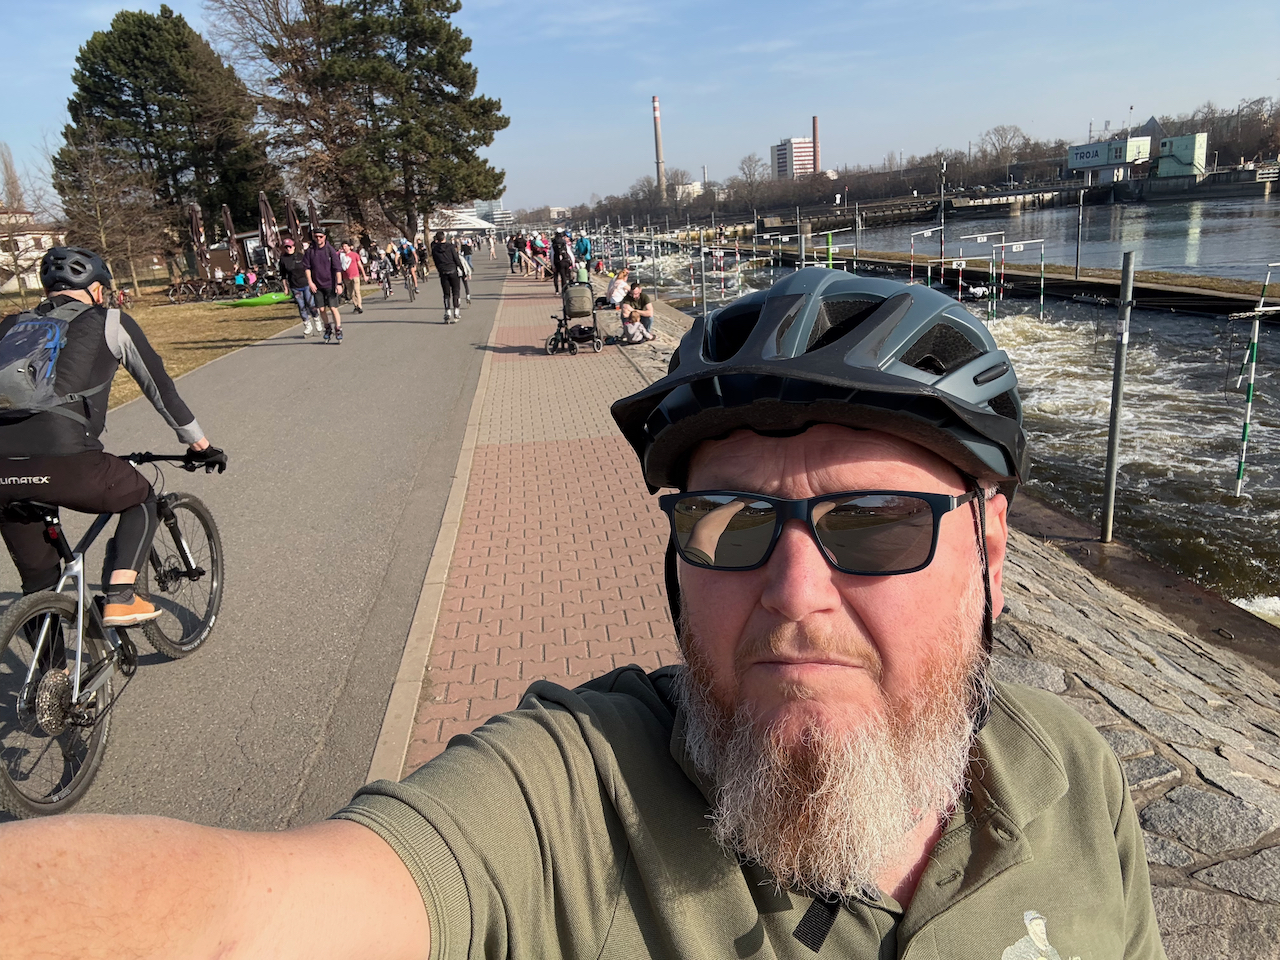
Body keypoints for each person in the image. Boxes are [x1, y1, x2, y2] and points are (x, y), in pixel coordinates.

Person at [0, 271, 1164, 960]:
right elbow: (244, 918)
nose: (793, 592)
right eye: (728, 522)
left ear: (989, 548)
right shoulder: (572, 802)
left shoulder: (1069, 777)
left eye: (871, 525)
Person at [0, 247, 226, 628]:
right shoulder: (110, 321)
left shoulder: (9, 327)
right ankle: (121, 595)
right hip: (69, 460)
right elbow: (161, 390)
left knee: (39, 589)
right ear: (97, 290)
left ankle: (48, 663)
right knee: (142, 497)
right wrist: (200, 445)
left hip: (3, 472)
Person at [302, 227, 344, 343]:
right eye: (316, 237)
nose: (318, 239)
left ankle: (338, 328)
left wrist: (339, 283)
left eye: (320, 237)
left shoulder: (330, 250)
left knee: (333, 308)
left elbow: (337, 268)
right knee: (321, 308)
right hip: (317, 285)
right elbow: (307, 267)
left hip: (330, 284)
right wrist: (310, 282)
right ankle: (327, 328)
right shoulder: (310, 251)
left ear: (324, 237)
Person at [278, 237, 321, 336]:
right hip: (294, 286)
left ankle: (317, 320)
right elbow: (283, 276)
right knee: (301, 306)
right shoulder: (283, 259)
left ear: (293, 246)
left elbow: (308, 269)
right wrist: (285, 288)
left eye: (290, 246)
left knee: (311, 304)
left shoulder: (301, 256)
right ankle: (307, 326)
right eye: (286, 247)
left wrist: (312, 282)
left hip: (305, 284)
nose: (288, 249)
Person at [430, 230, 466, 323]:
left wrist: (440, 270)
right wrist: (463, 270)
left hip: (443, 272)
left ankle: (447, 312)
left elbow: (436, 262)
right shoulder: (450, 247)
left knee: (446, 294)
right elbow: (456, 259)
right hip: (453, 271)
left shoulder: (434, 249)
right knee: (456, 292)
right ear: (444, 238)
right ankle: (456, 312)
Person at [339, 240, 367, 315]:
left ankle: (359, 306)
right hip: (346, 277)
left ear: (349, 247)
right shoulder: (341, 256)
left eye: (345, 246)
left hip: (355, 275)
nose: (344, 248)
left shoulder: (354, 255)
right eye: (343, 246)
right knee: (351, 293)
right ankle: (356, 305)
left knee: (357, 291)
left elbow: (360, 265)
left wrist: (364, 275)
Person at [551, 227, 574, 294]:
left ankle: (557, 290)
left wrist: (553, 265)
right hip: (565, 261)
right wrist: (573, 262)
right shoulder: (564, 242)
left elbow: (552, 254)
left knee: (556, 276)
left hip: (557, 261)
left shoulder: (553, 243)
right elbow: (569, 252)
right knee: (564, 276)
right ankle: (564, 290)